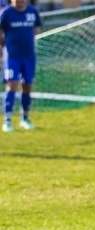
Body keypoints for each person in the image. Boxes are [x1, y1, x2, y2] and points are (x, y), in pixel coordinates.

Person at [0, 0, 41, 133]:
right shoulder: (6, 13)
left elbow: (36, 30)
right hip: (12, 57)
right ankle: (7, 121)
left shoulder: (33, 12)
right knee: (12, 84)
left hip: (29, 57)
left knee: (27, 86)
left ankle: (25, 118)